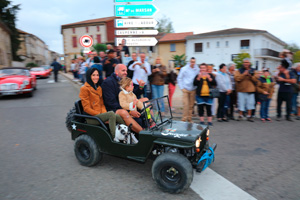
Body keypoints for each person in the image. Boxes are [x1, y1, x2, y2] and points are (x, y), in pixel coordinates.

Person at [79, 68, 124, 138]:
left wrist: (104, 115)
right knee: (111, 114)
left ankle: (125, 133)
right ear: (89, 76)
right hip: (91, 117)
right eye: (93, 75)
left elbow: (102, 104)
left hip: (100, 115)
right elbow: (86, 108)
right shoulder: (84, 89)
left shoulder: (98, 88)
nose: (96, 77)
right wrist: (101, 116)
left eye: (97, 75)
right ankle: (115, 138)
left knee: (117, 116)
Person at [101, 64, 146, 133]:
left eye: (126, 70)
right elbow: (111, 103)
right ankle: (143, 133)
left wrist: (141, 87)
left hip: (125, 103)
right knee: (124, 112)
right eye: (123, 70)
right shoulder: (108, 82)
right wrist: (130, 111)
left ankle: (151, 123)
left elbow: (132, 94)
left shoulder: (123, 80)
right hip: (115, 108)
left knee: (146, 100)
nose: (126, 72)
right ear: (116, 72)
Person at [177, 57, 199, 122]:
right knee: (186, 105)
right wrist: (182, 88)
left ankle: (189, 119)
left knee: (191, 105)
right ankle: (184, 119)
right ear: (189, 62)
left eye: (194, 62)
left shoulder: (197, 69)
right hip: (185, 89)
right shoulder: (184, 69)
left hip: (193, 89)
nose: (193, 63)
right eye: (192, 62)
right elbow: (179, 78)